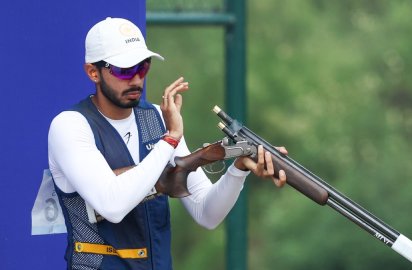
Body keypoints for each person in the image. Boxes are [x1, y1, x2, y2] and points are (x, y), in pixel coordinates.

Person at [48, 17, 287, 270]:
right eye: (124, 70)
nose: (136, 79)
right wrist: (170, 138)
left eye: (143, 67)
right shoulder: (70, 125)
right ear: (93, 72)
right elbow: (112, 206)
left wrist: (238, 168)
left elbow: (207, 213)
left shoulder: (157, 118)